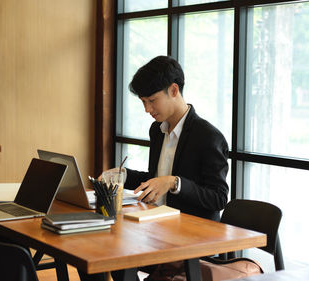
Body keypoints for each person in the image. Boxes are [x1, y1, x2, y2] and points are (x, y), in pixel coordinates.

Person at [80, 56, 229, 281]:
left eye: (152, 100)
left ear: (174, 90)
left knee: (113, 249)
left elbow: (218, 198)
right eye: (143, 102)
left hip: (190, 236)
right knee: (93, 247)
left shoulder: (208, 137)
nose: (147, 109)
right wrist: (124, 175)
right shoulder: (157, 130)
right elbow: (155, 178)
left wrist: (174, 182)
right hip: (156, 226)